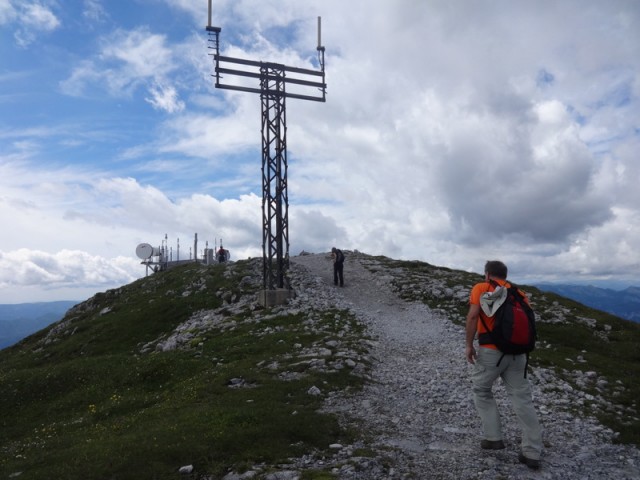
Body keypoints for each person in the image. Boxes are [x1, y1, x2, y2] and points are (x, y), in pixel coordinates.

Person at [465, 260, 543, 470]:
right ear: (505, 275)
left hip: (491, 351)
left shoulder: (482, 287)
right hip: (519, 354)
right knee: (522, 398)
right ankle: (532, 451)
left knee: (481, 389)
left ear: (487, 274)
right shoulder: (519, 293)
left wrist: (468, 345)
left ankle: (493, 438)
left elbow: (473, 316)